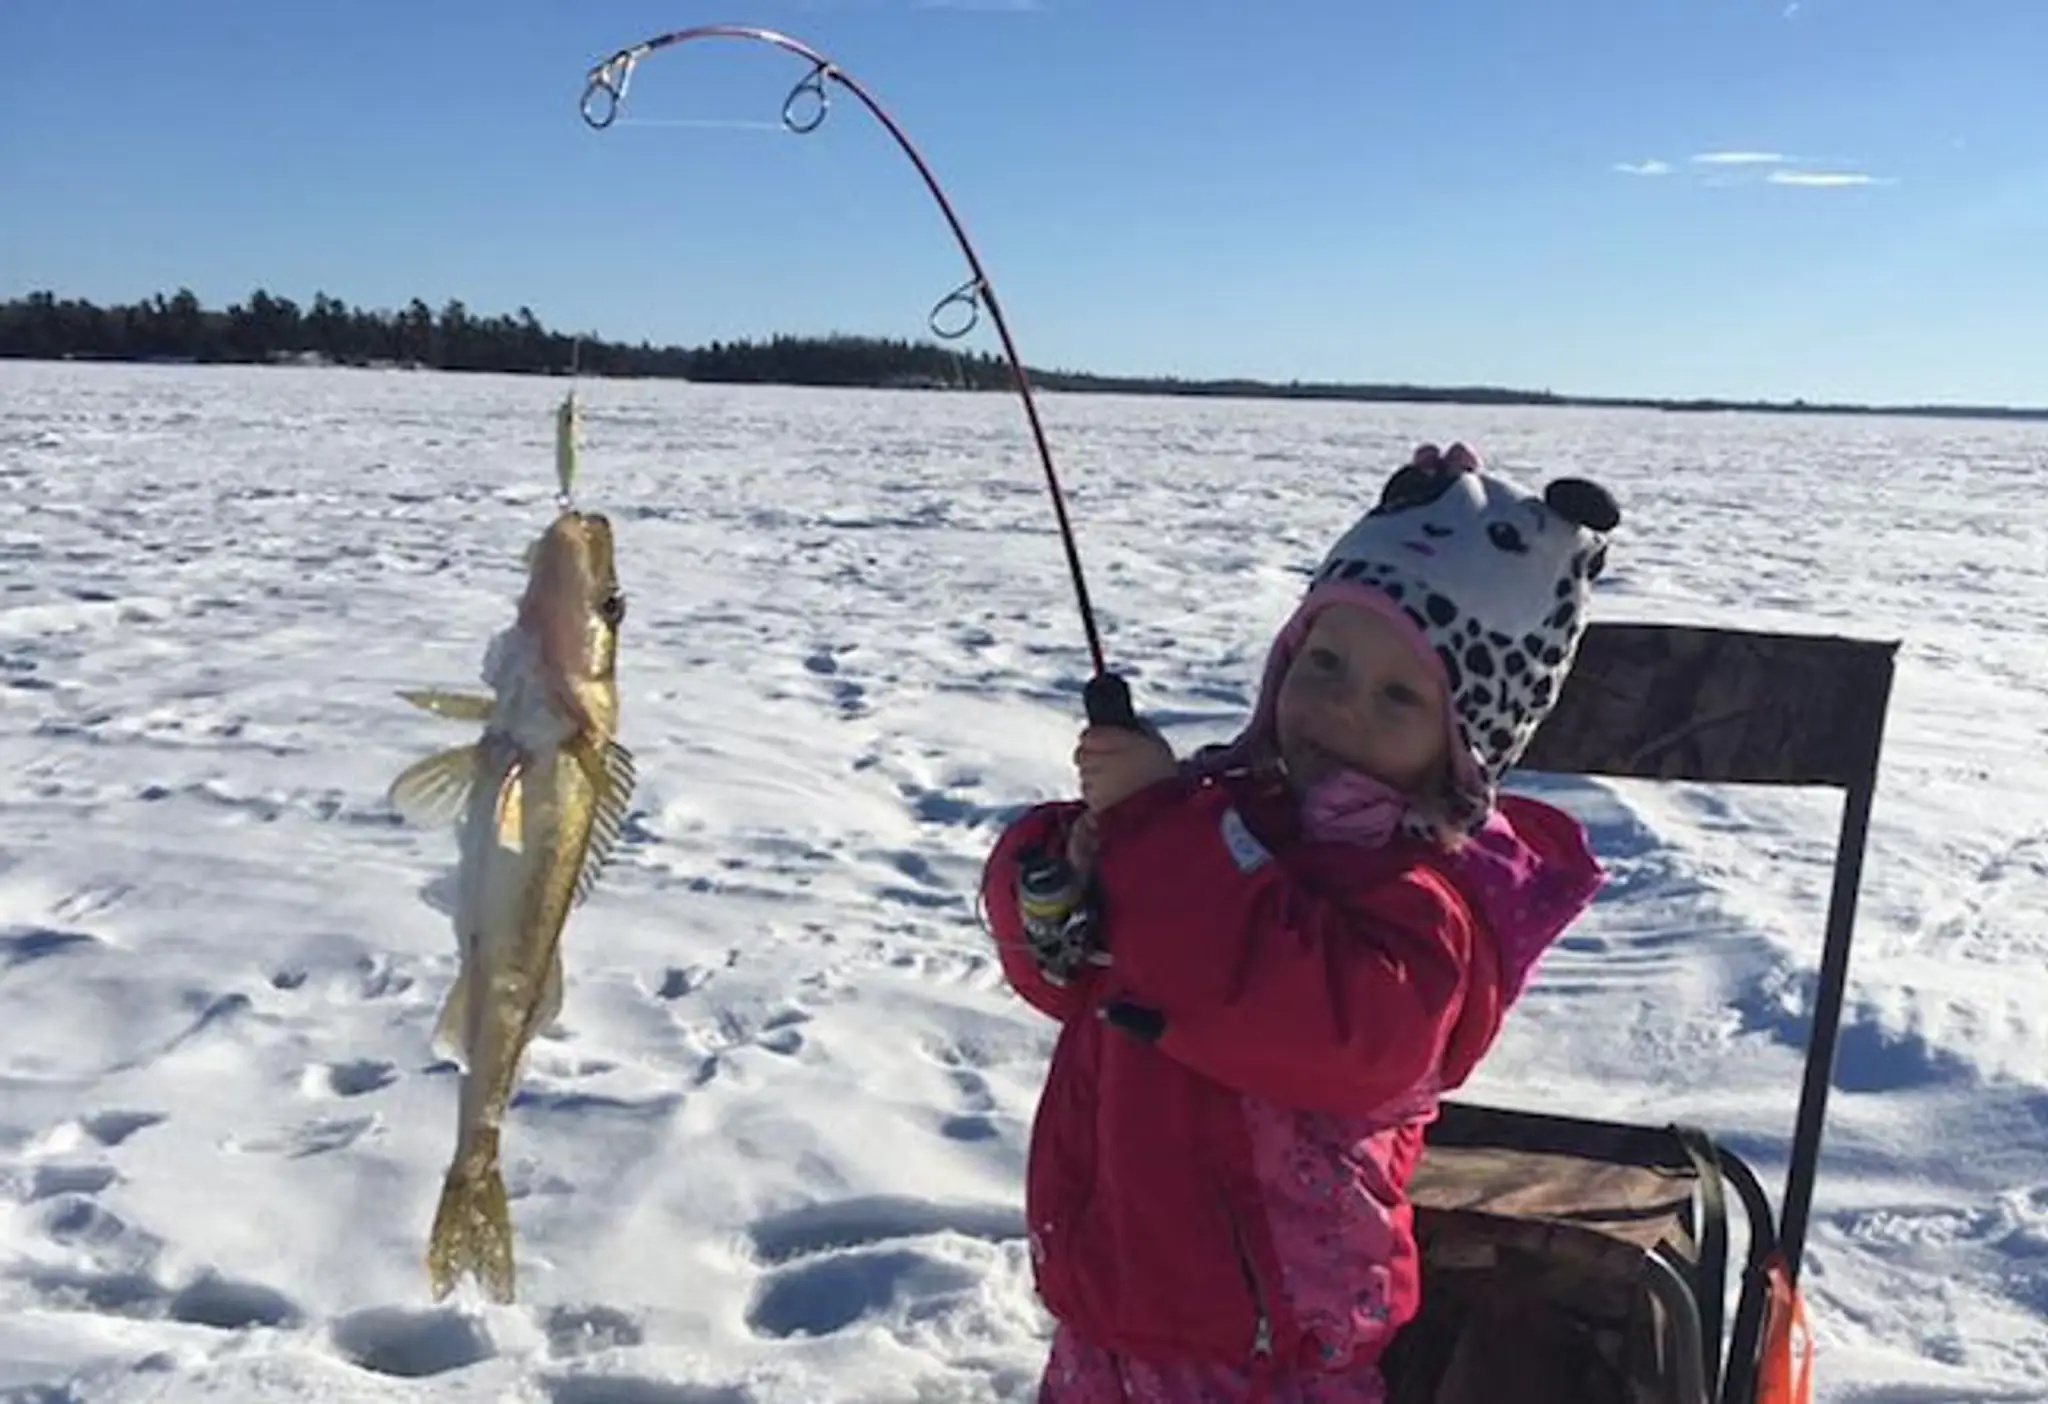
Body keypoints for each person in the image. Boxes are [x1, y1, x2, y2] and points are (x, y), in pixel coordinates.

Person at [980, 442, 1623, 1403]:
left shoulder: (1423, 895)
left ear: (1462, 744)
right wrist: (1058, 872)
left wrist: (1157, 833)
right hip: (1114, 1296)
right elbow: (1067, 979)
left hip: (1266, 1345)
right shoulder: (1222, 821)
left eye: (1399, 694)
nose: (1339, 707)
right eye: (1323, 660)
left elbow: (1318, 1027)